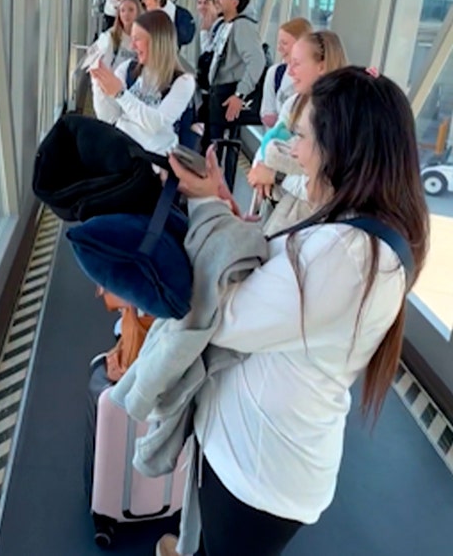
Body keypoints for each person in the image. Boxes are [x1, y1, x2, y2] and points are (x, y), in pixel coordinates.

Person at [156, 67, 429, 556]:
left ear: (341, 148)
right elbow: (282, 283)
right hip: (261, 457)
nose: (294, 149)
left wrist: (204, 209)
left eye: (302, 136)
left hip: (255, 471)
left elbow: (226, 316)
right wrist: (225, 207)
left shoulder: (344, 256)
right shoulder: (360, 233)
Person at [247, 30, 347, 234]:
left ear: (321, 66)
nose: (289, 72)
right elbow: (270, 141)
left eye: (297, 63)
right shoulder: (295, 103)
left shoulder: (339, 117)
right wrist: (260, 170)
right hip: (283, 210)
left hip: (313, 226)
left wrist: (276, 176)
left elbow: (324, 189)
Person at [89, 10, 196, 155]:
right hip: (121, 149)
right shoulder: (127, 68)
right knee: (69, 126)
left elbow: (155, 125)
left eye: (137, 39)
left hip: (150, 159)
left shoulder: (183, 82)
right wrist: (99, 83)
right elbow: (108, 117)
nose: (132, 46)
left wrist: (120, 94)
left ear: (157, 41)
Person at [205, 0, 267, 188]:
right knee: (215, 145)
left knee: (225, 146)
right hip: (219, 91)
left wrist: (240, 94)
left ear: (235, 1)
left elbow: (257, 61)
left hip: (229, 92)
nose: (219, 0)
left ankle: (223, 191)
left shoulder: (243, 26)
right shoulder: (225, 25)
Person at [258, 17, 312, 128]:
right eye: (279, 43)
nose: (279, 48)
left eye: (284, 43)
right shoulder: (275, 73)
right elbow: (267, 115)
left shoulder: (316, 79)